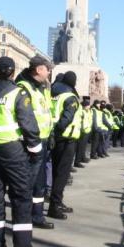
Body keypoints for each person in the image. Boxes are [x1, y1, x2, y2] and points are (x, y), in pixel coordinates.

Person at [0, 57, 42, 247]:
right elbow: (28, 123)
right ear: (11, 72)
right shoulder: (18, 93)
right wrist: (35, 147)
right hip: (13, 149)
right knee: (21, 196)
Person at [15, 55, 54, 229]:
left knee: (39, 181)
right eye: (48, 69)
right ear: (39, 70)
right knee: (29, 181)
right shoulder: (24, 87)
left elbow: (45, 114)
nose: (49, 73)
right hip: (30, 142)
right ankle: (25, 217)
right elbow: (25, 117)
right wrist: (33, 142)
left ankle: (37, 215)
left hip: (42, 140)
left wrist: (49, 134)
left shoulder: (41, 88)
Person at [49, 71, 81, 219]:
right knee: (62, 174)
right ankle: (55, 206)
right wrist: (60, 131)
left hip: (56, 137)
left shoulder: (55, 94)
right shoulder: (71, 97)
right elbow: (66, 118)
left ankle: (57, 201)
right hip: (67, 138)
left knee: (56, 172)